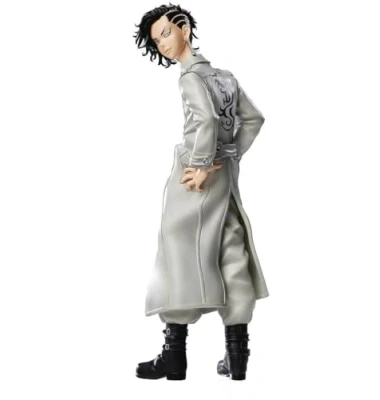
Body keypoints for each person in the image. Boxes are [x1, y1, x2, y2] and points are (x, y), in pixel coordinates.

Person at [133, 3, 269, 380]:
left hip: (195, 174)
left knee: (177, 253)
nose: (162, 44)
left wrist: (201, 163)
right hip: (224, 174)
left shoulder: (190, 77)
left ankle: (174, 354)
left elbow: (206, 119)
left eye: (166, 33)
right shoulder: (224, 77)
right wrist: (229, 154)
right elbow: (253, 119)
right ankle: (237, 355)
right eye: (156, 40)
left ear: (184, 28)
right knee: (230, 250)